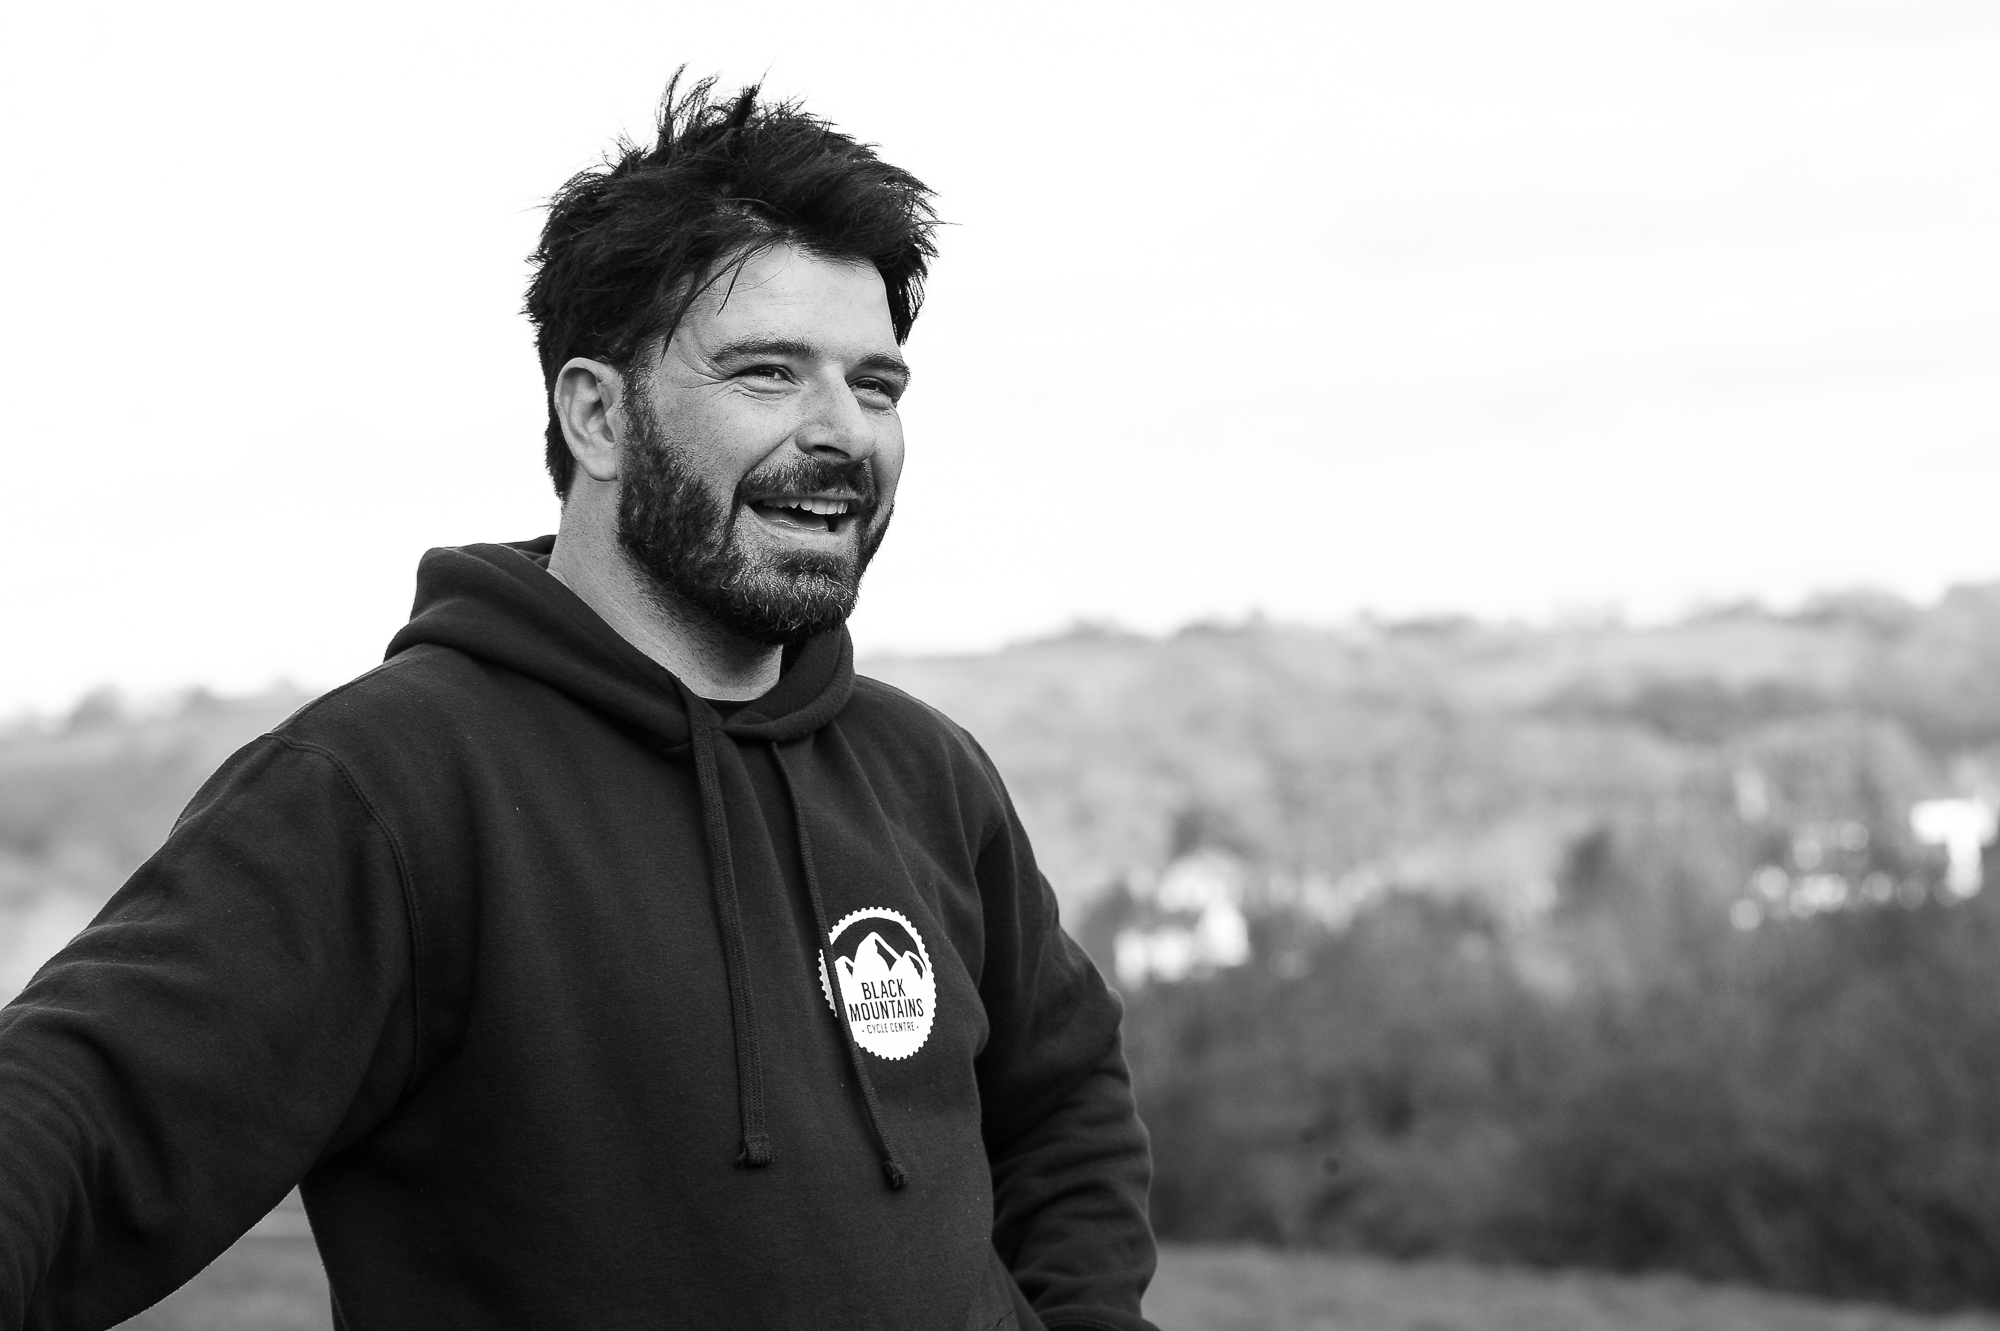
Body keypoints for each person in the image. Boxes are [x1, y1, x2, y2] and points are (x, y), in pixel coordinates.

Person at [0, 75, 1157, 1331]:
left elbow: (1062, 1098)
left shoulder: (923, 771)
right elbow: (79, 1105)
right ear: (597, 415)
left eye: (874, 386)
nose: (843, 433)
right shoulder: (390, 783)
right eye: (768, 372)